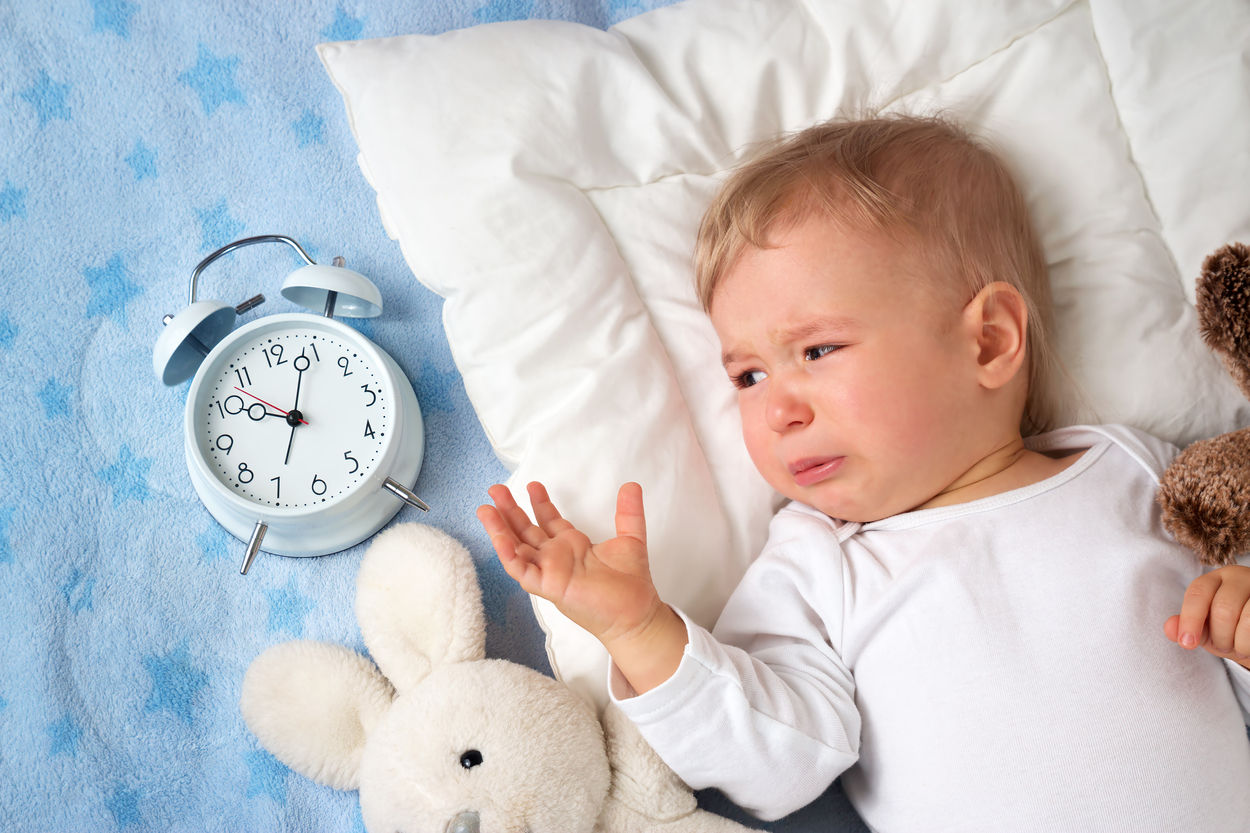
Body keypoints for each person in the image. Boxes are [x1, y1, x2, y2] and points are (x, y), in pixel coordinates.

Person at [476, 115, 1250, 831]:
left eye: (816, 350)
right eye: (746, 376)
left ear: (987, 342)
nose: (777, 408)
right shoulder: (818, 562)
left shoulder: (1135, 471)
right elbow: (775, 763)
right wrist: (639, 629)